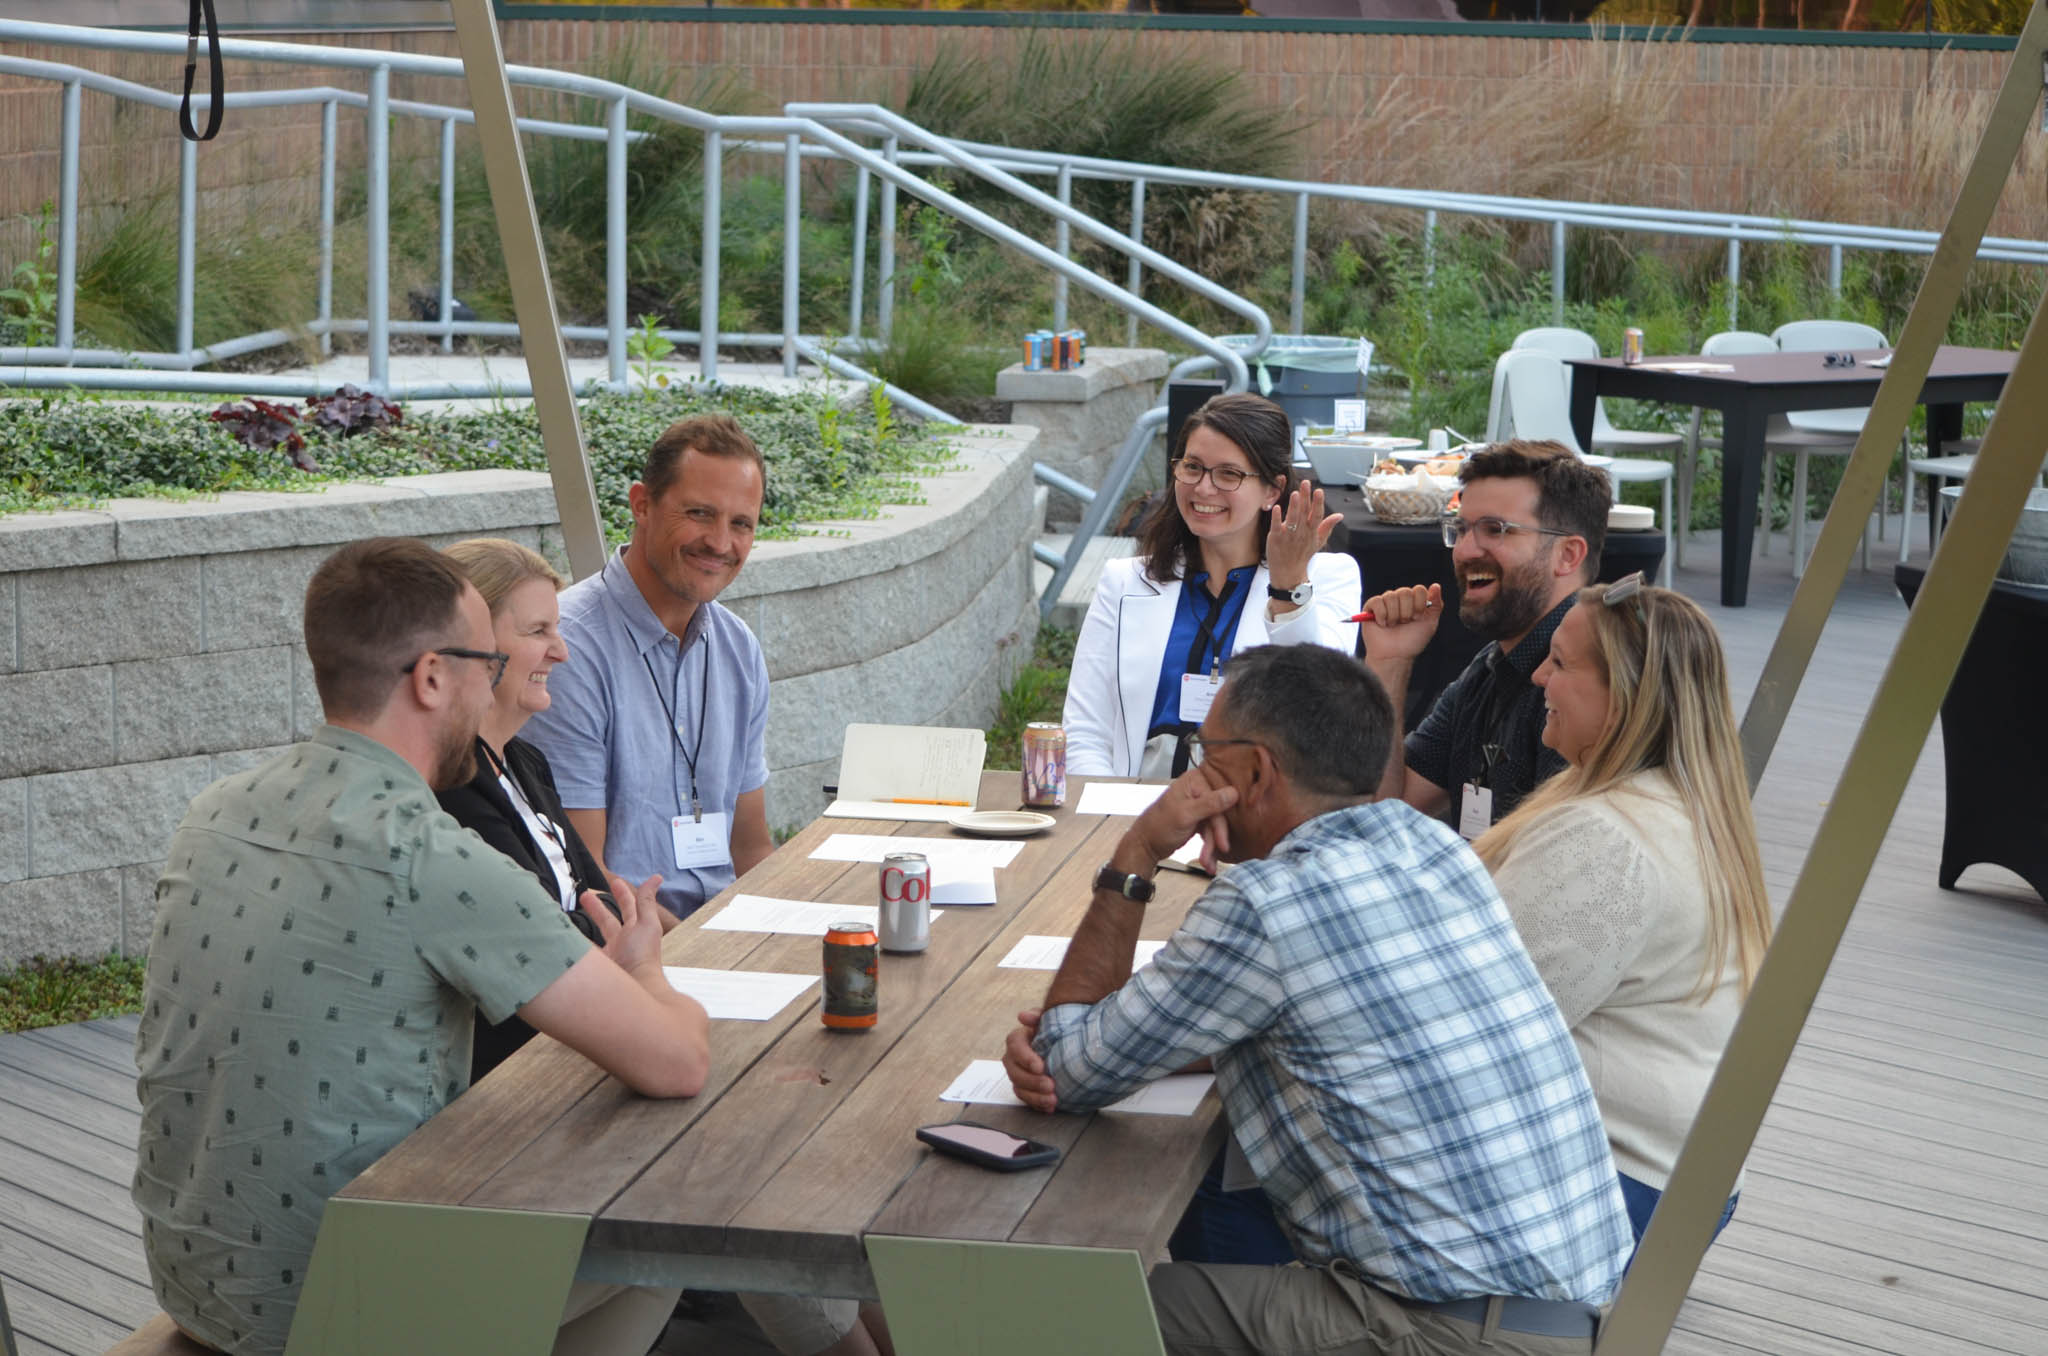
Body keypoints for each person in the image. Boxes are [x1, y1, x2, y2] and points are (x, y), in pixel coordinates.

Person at [134, 537, 711, 1355]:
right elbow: (676, 1062)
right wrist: (649, 970)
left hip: (195, 1271)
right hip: (346, 1293)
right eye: (484, 663)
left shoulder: (215, 810)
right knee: (667, 1227)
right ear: (434, 676)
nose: (489, 693)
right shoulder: (431, 855)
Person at [1004, 644, 1633, 1356]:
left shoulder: (1267, 902)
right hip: (1587, 1310)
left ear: (1254, 771)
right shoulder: (1435, 850)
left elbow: (1066, 1069)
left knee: (1039, 1304)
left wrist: (1137, 853)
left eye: (1206, 755)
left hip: (1446, 1331)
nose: (1193, 777)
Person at [1472, 572, 1773, 1246]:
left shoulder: (1608, 840)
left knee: (1253, 1172)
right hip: (1666, 1182)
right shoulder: (1669, 800)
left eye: (1560, 663)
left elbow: (1484, 1029)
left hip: (1616, 1193)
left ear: (1626, 696)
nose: (1537, 679)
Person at [524, 413, 774, 922]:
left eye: (741, 523)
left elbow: (751, 852)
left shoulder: (737, 648)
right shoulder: (568, 648)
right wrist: (702, 952)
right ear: (642, 505)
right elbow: (585, 877)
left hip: (726, 938)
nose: (721, 543)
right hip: (633, 949)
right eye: (700, 514)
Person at [1063, 391, 1360, 779]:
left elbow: (1317, 712)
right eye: (1193, 467)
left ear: (1272, 490)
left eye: (1228, 474)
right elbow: (1085, 732)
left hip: (1253, 818)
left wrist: (1288, 588)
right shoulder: (1124, 582)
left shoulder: (1327, 577)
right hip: (1132, 809)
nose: (1203, 488)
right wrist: (1108, 819)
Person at [1358, 439, 1612, 838]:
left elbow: (1556, 871)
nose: (1464, 550)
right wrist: (1390, 663)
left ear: (1568, 555)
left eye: (1495, 530)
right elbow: (1381, 814)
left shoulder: (1593, 686)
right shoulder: (1492, 668)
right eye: (1461, 529)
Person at [434, 538, 619, 1080]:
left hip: (573, 1044)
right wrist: (597, 930)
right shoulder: (451, 788)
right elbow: (544, 949)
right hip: (517, 1078)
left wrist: (592, 927)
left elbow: (598, 900)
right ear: (475, 643)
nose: (561, 651)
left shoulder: (523, 760)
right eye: (539, 632)